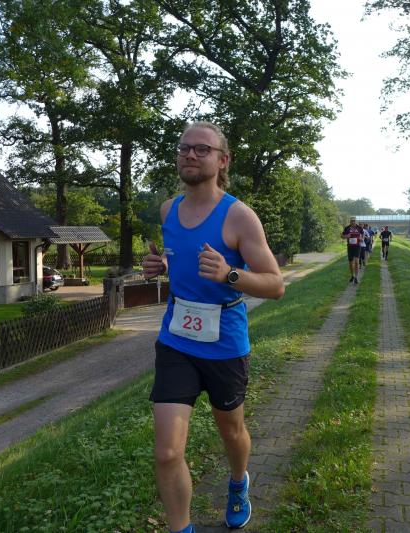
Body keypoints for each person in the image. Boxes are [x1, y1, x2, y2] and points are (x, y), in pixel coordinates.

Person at [142, 121, 284, 533]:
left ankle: (238, 482)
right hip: (177, 341)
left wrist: (230, 274)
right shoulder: (168, 210)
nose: (190, 154)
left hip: (224, 343)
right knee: (168, 452)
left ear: (223, 161)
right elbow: (182, 257)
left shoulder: (239, 216)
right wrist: (162, 265)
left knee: (232, 431)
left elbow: (275, 285)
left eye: (202, 149)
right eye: (184, 147)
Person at [341, 217, 362, 283]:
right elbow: (342, 236)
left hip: (357, 247)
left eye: (354, 221)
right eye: (352, 221)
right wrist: (346, 236)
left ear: (356, 221)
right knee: (350, 263)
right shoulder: (347, 228)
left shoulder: (359, 228)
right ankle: (352, 276)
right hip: (350, 247)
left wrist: (362, 238)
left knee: (356, 262)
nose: (353, 222)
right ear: (350, 221)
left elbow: (362, 235)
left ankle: (356, 277)